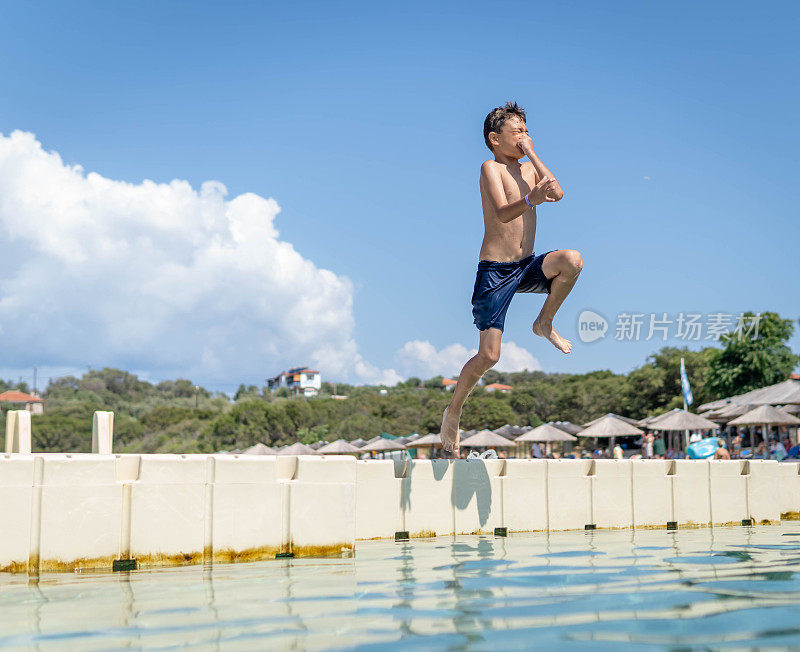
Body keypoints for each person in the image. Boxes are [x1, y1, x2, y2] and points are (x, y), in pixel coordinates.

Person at [440, 101, 581, 454]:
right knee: (489, 356)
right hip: (496, 271)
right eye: (516, 132)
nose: (523, 137)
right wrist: (531, 200)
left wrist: (533, 156)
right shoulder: (491, 168)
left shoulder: (530, 169)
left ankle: (544, 322)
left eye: (527, 131)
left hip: (527, 264)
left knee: (572, 261)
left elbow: (559, 194)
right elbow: (503, 214)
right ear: (495, 138)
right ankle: (453, 411)